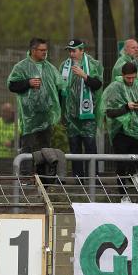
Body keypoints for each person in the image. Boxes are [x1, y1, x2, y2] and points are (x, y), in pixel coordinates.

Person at [7, 38, 62, 171]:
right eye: (42, 50)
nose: (45, 53)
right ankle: (26, 177)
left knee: (45, 148)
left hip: (46, 116)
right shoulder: (21, 67)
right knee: (28, 148)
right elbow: (12, 85)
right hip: (29, 117)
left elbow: (60, 88)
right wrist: (28, 83)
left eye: (46, 50)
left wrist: (57, 111)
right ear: (33, 50)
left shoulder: (50, 68)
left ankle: (43, 178)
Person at [102, 62, 138, 188]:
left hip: (136, 133)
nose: (130, 80)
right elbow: (109, 112)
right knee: (122, 165)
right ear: (122, 75)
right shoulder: (114, 88)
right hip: (120, 132)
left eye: (133, 77)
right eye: (128, 78)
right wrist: (126, 107)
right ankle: (122, 194)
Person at [59, 39, 103, 178]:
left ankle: (92, 177)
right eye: (70, 51)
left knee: (90, 145)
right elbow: (60, 89)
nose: (71, 54)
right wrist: (61, 113)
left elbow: (97, 84)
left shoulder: (93, 64)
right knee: (74, 147)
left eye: (74, 51)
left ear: (82, 50)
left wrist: (84, 75)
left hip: (87, 114)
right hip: (71, 115)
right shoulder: (64, 66)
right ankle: (78, 178)